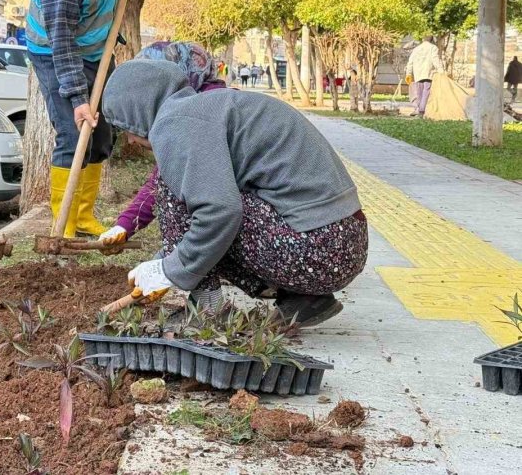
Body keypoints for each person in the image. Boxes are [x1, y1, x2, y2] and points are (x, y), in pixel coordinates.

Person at [102, 60, 368, 326]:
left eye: (126, 128)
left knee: (174, 193)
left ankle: (207, 310)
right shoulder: (204, 109)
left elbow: (219, 213)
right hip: (341, 247)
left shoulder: (175, 124)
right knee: (207, 205)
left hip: (316, 249)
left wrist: (170, 269)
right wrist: (167, 260)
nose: (130, 139)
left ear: (138, 110)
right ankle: (306, 300)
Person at [25, 0, 144, 237]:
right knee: (74, 129)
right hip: (54, 50)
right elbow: (62, 40)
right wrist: (78, 97)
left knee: (102, 132)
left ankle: (85, 214)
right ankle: (64, 224)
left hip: (95, 45)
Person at [99, 43, 227, 311]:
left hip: (301, 240)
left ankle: (209, 307)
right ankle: (301, 297)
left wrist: (169, 268)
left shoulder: (196, 114)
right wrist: (125, 225)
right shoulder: (210, 103)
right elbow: (164, 177)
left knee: (182, 205)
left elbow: (167, 185)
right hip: (305, 231)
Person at [405, 36, 444, 117]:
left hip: (418, 74)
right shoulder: (433, 48)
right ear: (431, 39)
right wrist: (441, 71)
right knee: (426, 92)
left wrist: (408, 74)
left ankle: (419, 109)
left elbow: (410, 62)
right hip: (428, 74)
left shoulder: (416, 49)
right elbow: (435, 59)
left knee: (419, 93)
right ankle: (421, 110)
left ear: (422, 39)